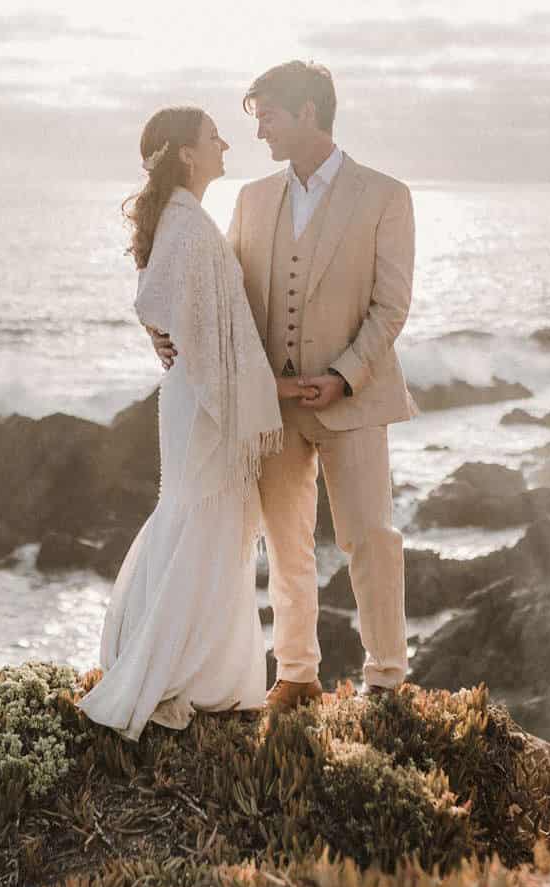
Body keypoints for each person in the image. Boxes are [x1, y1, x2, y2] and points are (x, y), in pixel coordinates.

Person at [152, 61, 416, 712]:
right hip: (274, 407)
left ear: (307, 114)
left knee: (368, 537)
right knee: (286, 544)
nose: (260, 130)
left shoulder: (385, 195)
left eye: (268, 115)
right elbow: (225, 298)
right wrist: (171, 333)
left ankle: (386, 674)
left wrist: (343, 375)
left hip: (353, 401)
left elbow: (391, 306)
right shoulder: (252, 199)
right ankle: (296, 674)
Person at [79, 107, 301, 740]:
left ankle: (201, 673)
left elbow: (169, 308)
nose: (226, 143)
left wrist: (164, 331)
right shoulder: (186, 223)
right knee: (201, 522)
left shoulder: (182, 219)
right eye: (213, 137)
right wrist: (269, 387)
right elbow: (182, 320)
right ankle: (166, 670)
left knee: (203, 523)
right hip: (203, 404)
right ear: (183, 153)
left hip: (196, 398)